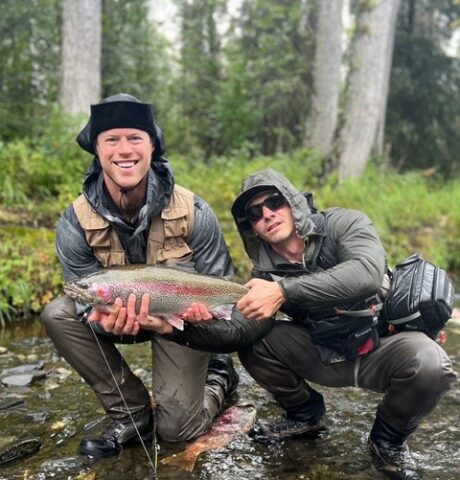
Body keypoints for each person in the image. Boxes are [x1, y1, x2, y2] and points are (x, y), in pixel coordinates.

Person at [41, 93, 240, 460]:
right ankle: (131, 414)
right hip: (118, 314)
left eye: (134, 138)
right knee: (58, 313)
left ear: (152, 146)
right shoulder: (74, 221)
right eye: (111, 139)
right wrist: (104, 322)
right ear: (97, 149)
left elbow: (224, 291)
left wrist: (205, 321)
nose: (124, 150)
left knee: (176, 431)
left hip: (181, 322)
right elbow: (83, 301)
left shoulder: (194, 210)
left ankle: (219, 378)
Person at [231, 168, 457, 480]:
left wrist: (283, 291)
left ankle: (387, 442)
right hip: (324, 352)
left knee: (432, 363)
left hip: (382, 346)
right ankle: (305, 416)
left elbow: (366, 274)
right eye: (255, 213)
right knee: (252, 339)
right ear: (252, 228)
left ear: (293, 202)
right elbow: (236, 329)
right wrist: (177, 325)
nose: (267, 214)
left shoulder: (344, 223)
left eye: (274, 202)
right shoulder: (262, 274)